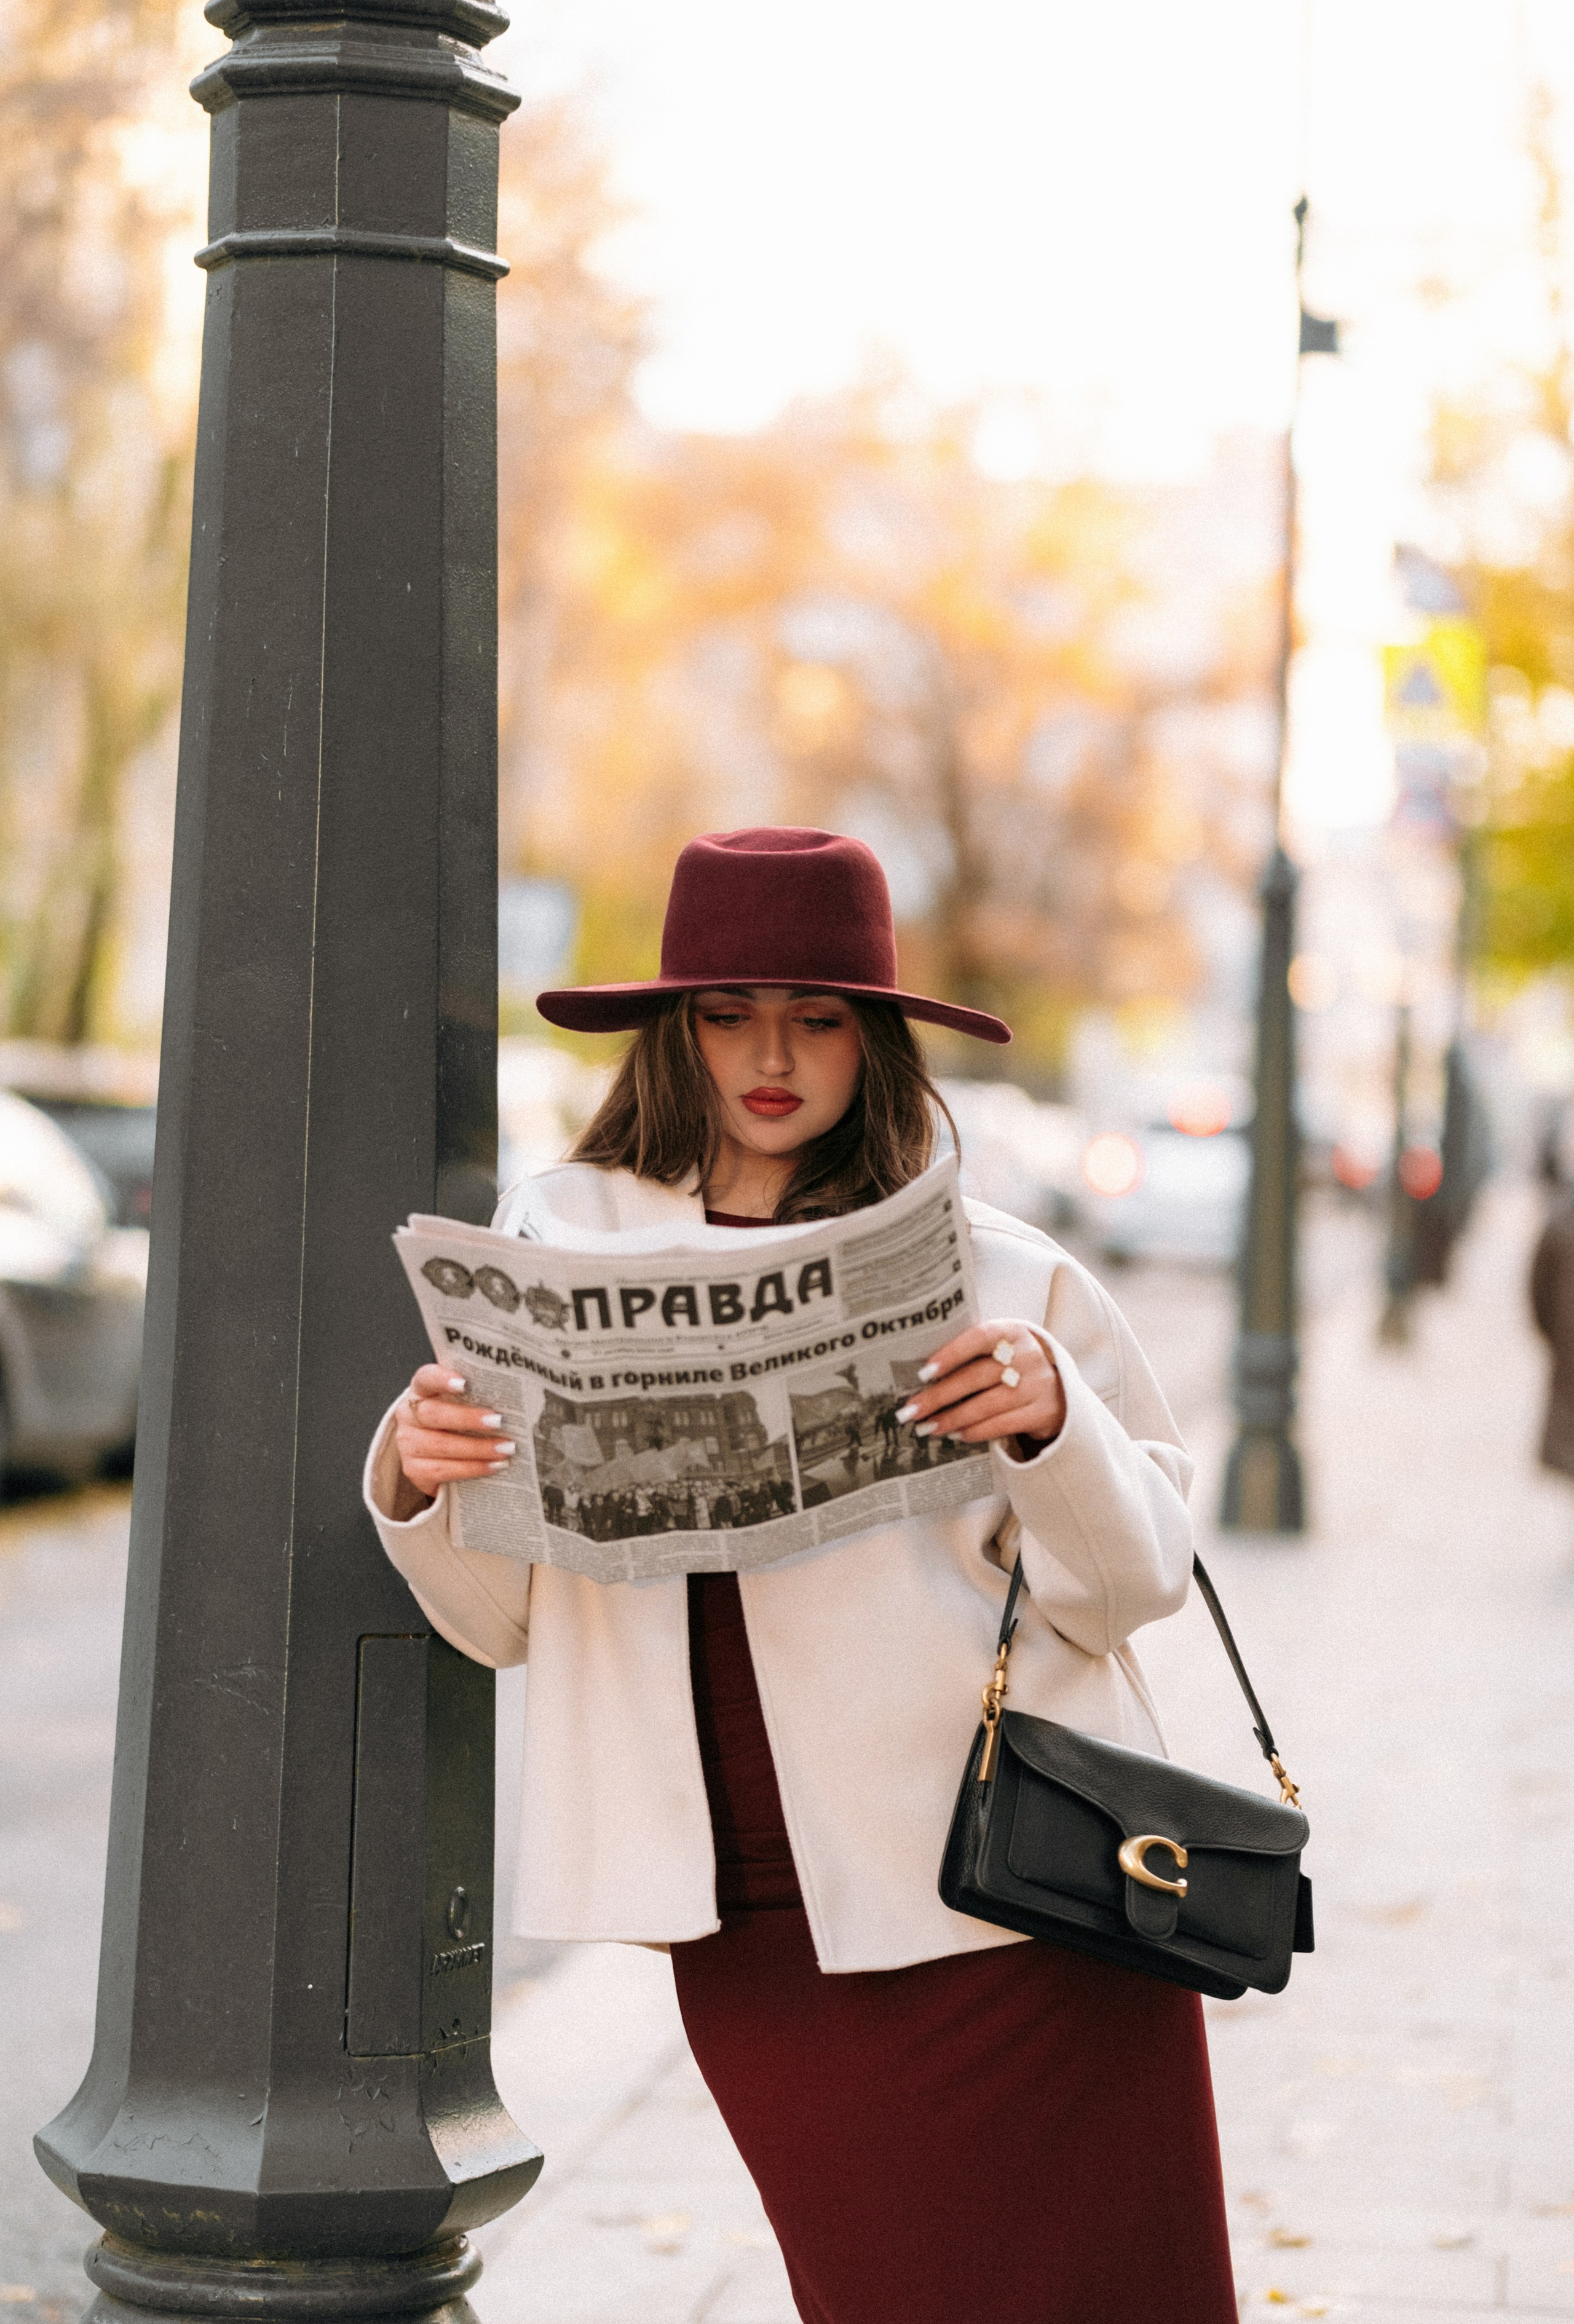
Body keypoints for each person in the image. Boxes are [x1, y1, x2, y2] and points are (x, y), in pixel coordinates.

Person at [363, 826, 1235, 2324]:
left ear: (875, 1040)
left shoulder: (1001, 1271)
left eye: (817, 1017)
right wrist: (418, 1471)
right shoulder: (553, 1254)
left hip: (1018, 1900)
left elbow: (1131, 1586)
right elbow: (502, 1624)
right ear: (671, 1034)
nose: (771, 1054)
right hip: (751, 1916)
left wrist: (1047, 1421)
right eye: (726, 1014)